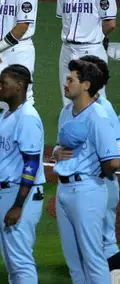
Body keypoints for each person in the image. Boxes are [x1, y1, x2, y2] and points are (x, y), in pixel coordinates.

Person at [52, 59, 120, 283]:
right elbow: (59, 145)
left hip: (86, 191)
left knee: (93, 258)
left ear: (86, 85)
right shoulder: (65, 112)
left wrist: (93, 173)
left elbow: (112, 161)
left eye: (71, 79)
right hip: (64, 189)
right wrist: (56, 152)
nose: (66, 82)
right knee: (74, 262)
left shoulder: (98, 116)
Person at [0, 65, 45, 283]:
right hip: (4, 192)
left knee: (20, 262)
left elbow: (31, 163)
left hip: (19, 195)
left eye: (3, 83)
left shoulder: (27, 117)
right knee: (12, 263)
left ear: (19, 86)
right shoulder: (6, 115)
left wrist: (19, 204)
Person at [56, 0, 116, 106]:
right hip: (67, 50)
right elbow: (64, 18)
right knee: (67, 98)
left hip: (91, 50)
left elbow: (110, 23)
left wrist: (96, 37)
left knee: (96, 99)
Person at [78, 55, 120, 270]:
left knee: (104, 242)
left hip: (101, 183)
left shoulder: (103, 110)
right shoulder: (80, 108)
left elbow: (115, 154)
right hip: (96, 184)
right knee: (99, 241)